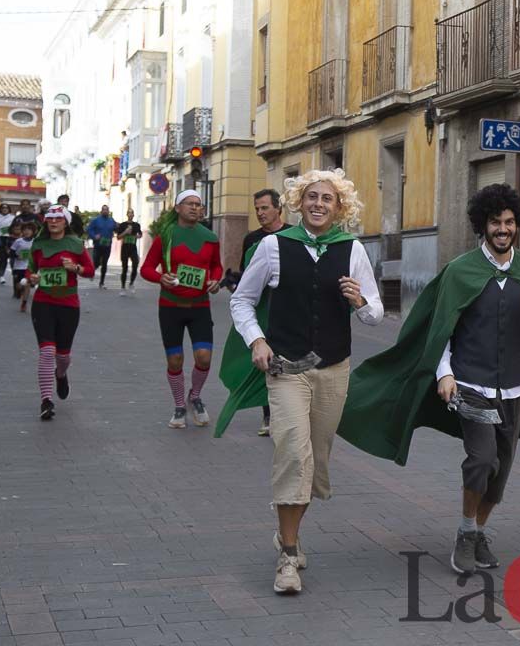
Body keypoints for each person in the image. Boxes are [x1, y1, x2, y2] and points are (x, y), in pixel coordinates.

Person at [338, 184, 520, 577]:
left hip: (515, 386)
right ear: (482, 226)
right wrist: (444, 373)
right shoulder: (461, 270)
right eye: (496, 222)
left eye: (510, 222)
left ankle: (479, 529)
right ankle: (466, 534)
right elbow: (441, 328)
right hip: (471, 386)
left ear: (518, 226)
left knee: (500, 474)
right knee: (482, 460)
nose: (503, 229)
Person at [221, 170, 383, 595]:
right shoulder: (274, 245)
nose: (318, 204)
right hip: (286, 368)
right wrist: (256, 340)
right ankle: (288, 555)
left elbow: (376, 313)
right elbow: (242, 299)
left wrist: (360, 300)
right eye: (311, 196)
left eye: (327, 198)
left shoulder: (351, 250)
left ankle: (287, 533)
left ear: (339, 207)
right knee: (293, 452)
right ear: (298, 201)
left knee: (314, 463)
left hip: (333, 369)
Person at [140, 190, 224, 429]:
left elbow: (217, 266)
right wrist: (161, 278)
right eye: (190, 204)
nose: (195, 208)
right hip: (170, 307)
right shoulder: (165, 236)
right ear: (177, 208)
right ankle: (179, 405)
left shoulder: (209, 237)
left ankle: (194, 396)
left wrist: (215, 281)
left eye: (199, 205)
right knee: (175, 360)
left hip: (200, 306)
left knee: (204, 357)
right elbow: (146, 268)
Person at [24, 205, 95, 419]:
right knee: (47, 352)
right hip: (43, 302)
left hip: (68, 305)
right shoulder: (39, 244)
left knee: (62, 355)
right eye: (50, 219)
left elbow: (90, 271)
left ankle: (61, 373)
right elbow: (29, 269)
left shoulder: (75, 244)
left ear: (66, 222)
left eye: (58, 219)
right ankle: (46, 400)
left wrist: (75, 268)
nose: (53, 222)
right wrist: (32, 277)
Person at [238, 188, 289, 436]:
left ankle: (282, 412)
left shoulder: (293, 235)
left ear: (279, 208)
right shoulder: (251, 239)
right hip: (260, 310)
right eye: (257, 208)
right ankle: (268, 415)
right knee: (264, 360)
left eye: (264, 208)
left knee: (283, 359)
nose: (260, 213)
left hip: (286, 309)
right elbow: (244, 275)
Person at [86, 205, 117, 289]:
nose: (105, 211)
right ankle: (91, 272)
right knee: (96, 262)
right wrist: (94, 236)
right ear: (101, 211)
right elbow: (89, 229)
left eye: (107, 210)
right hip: (98, 245)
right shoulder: (96, 220)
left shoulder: (111, 220)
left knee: (105, 263)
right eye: (104, 210)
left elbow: (116, 229)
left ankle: (102, 282)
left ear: (108, 211)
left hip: (107, 245)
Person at [11, 220, 37, 312]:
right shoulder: (18, 241)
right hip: (18, 267)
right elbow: (11, 253)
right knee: (19, 286)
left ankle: (24, 303)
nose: (27, 231)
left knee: (27, 285)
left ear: (33, 232)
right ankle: (19, 291)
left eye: (29, 229)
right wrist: (18, 256)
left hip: (28, 267)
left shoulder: (35, 242)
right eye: (25, 229)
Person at [114, 210, 142, 295]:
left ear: (133, 214)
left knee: (135, 264)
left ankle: (131, 283)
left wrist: (138, 236)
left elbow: (140, 234)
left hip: (133, 247)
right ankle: (123, 287)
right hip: (125, 247)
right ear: (127, 214)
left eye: (132, 213)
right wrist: (125, 232)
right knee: (124, 268)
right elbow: (118, 237)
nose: (131, 214)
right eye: (129, 213)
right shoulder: (123, 225)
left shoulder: (136, 225)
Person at [0, 203, 15, 284]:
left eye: (6, 208)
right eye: (3, 208)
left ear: (9, 209)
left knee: (12, 256)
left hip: (10, 239)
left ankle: (15, 272)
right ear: (0, 209)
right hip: (0, 238)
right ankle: (1, 276)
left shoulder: (13, 217)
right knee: (3, 257)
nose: (4, 209)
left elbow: (15, 227)